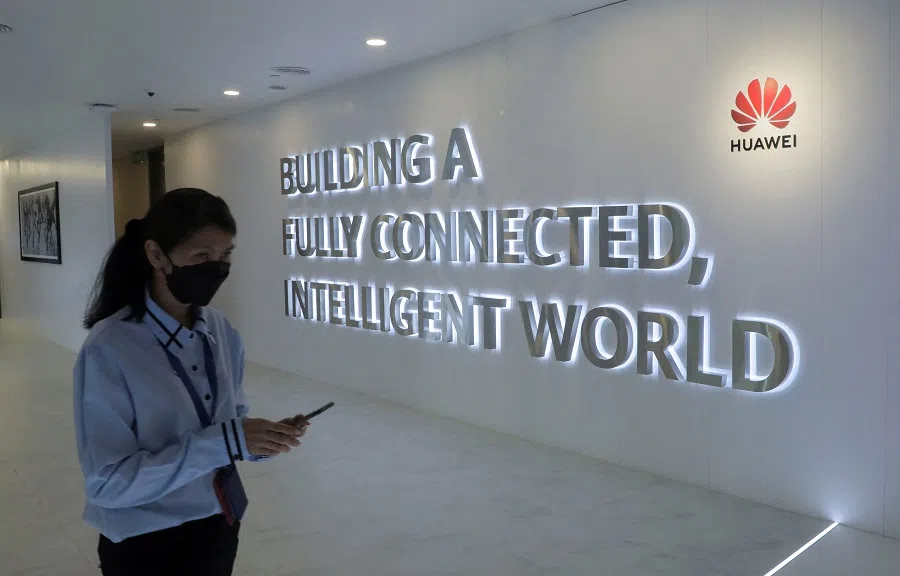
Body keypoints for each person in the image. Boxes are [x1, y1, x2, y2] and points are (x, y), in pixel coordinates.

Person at [74, 188, 308, 576]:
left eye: (225, 255)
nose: (216, 268)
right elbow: (108, 484)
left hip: (218, 522)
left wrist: (256, 440)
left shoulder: (221, 331)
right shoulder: (108, 349)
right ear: (156, 255)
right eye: (201, 256)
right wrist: (226, 441)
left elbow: (229, 418)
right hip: (145, 540)